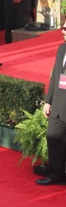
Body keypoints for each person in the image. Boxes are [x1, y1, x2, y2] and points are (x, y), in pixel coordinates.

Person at [36, 25, 66, 185]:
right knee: (53, 138)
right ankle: (56, 174)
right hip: (59, 107)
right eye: (63, 28)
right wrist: (48, 101)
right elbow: (55, 77)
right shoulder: (61, 49)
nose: (63, 31)